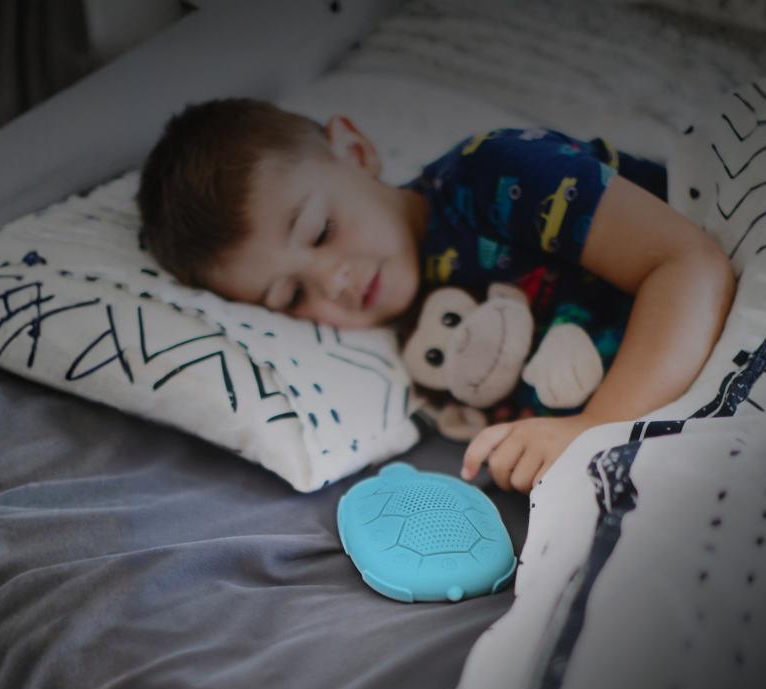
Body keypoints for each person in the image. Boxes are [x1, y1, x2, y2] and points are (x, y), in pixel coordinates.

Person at [137, 99, 733, 494]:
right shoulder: (404, 346)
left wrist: (595, 426)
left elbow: (689, 265)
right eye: (292, 294)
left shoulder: (492, 177)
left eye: (321, 231)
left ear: (355, 150)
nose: (333, 282)